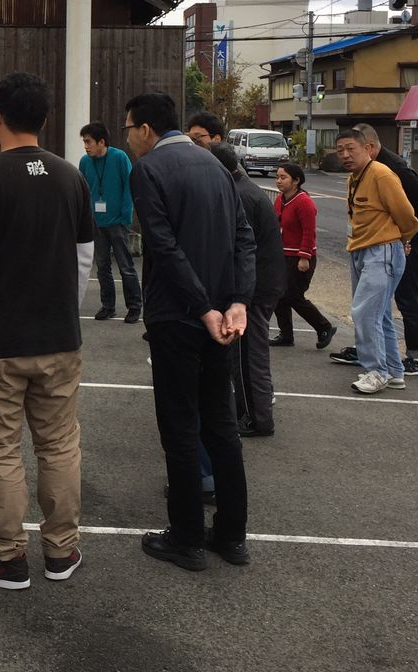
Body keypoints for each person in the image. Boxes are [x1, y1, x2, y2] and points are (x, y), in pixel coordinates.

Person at [0, 72, 95, 590]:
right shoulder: (71, 178)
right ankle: (61, 550)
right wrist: (65, 311)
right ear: (45, 119)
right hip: (58, 338)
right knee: (59, 444)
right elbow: (84, 258)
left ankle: (6, 557)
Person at [125, 92, 255, 571]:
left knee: (180, 426)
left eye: (128, 129)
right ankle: (231, 535)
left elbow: (162, 246)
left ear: (145, 129)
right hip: (222, 318)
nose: (129, 138)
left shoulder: (148, 170)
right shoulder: (215, 165)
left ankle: (186, 538)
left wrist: (201, 308)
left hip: (178, 316)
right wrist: (236, 302)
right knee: (221, 425)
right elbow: (244, 237)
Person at [328, 125, 418, 375]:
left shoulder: (390, 170)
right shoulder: (357, 174)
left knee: (401, 298)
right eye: (341, 150)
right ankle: (385, 363)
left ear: (368, 147)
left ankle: (413, 358)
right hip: (371, 245)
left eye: (351, 149)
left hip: (401, 242)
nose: (345, 155)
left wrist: (408, 238)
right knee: (380, 310)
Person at [207, 142, 286, 437]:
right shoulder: (243, 188)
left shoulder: (239, 194)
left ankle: (257, 418)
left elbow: (242, 250)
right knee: (244, 355)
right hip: (261, 283)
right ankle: (248, 411)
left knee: (248, 357)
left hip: (254, 288)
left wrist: (238, 296)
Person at [78, 122, 142, 324]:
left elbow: (129, 186)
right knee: (102, 266)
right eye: (84, 142)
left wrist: (125, 216)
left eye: (88, 142)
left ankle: (134, 306)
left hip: (118, 223)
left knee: (125, 266)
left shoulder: (119, 157)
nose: (86, 146)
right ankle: (108, 306)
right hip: (96, 223)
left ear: (101, 142)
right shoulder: (85, 162)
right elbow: (83, 190)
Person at [270, 163, 337, 350]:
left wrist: (304, 256)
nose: (278, 181)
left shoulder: (303, 202)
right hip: (283, 254)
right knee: (279, 296)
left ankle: (324, 327)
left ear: (296, 180)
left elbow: (309, 232)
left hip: (299, 257)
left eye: (283, 177)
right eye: (277, 177)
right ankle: (286, 335)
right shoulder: (280, 199)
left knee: (294, 296)